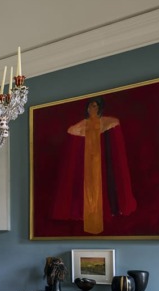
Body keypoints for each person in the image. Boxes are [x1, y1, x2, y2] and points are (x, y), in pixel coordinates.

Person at [52, 96, 137, 235]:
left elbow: (113, 124)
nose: (93, 109)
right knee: (88, 190)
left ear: (100, 108)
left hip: (99, 162)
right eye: (91, 106)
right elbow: (72, 130)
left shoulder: (105, 122)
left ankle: (99, 218)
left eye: (96, 106)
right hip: (88, 163)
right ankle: (90, 218)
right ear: (87, 108)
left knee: (99, 188)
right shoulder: (83, 125)